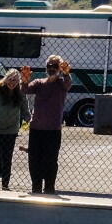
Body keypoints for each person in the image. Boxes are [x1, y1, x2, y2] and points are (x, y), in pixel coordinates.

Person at [20, 54, 72, 195]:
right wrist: (24, 80)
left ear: (59, 68)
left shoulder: (62, 84)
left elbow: (68, 82)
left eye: (54, 66)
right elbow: (25, 89)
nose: (51, 69)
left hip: (53, 130)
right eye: (49, 66)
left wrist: (66, 73)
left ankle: (49, 188)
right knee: (34, 159)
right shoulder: (39, 83)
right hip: (36, 128)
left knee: (50, 160)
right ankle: (36, 187)